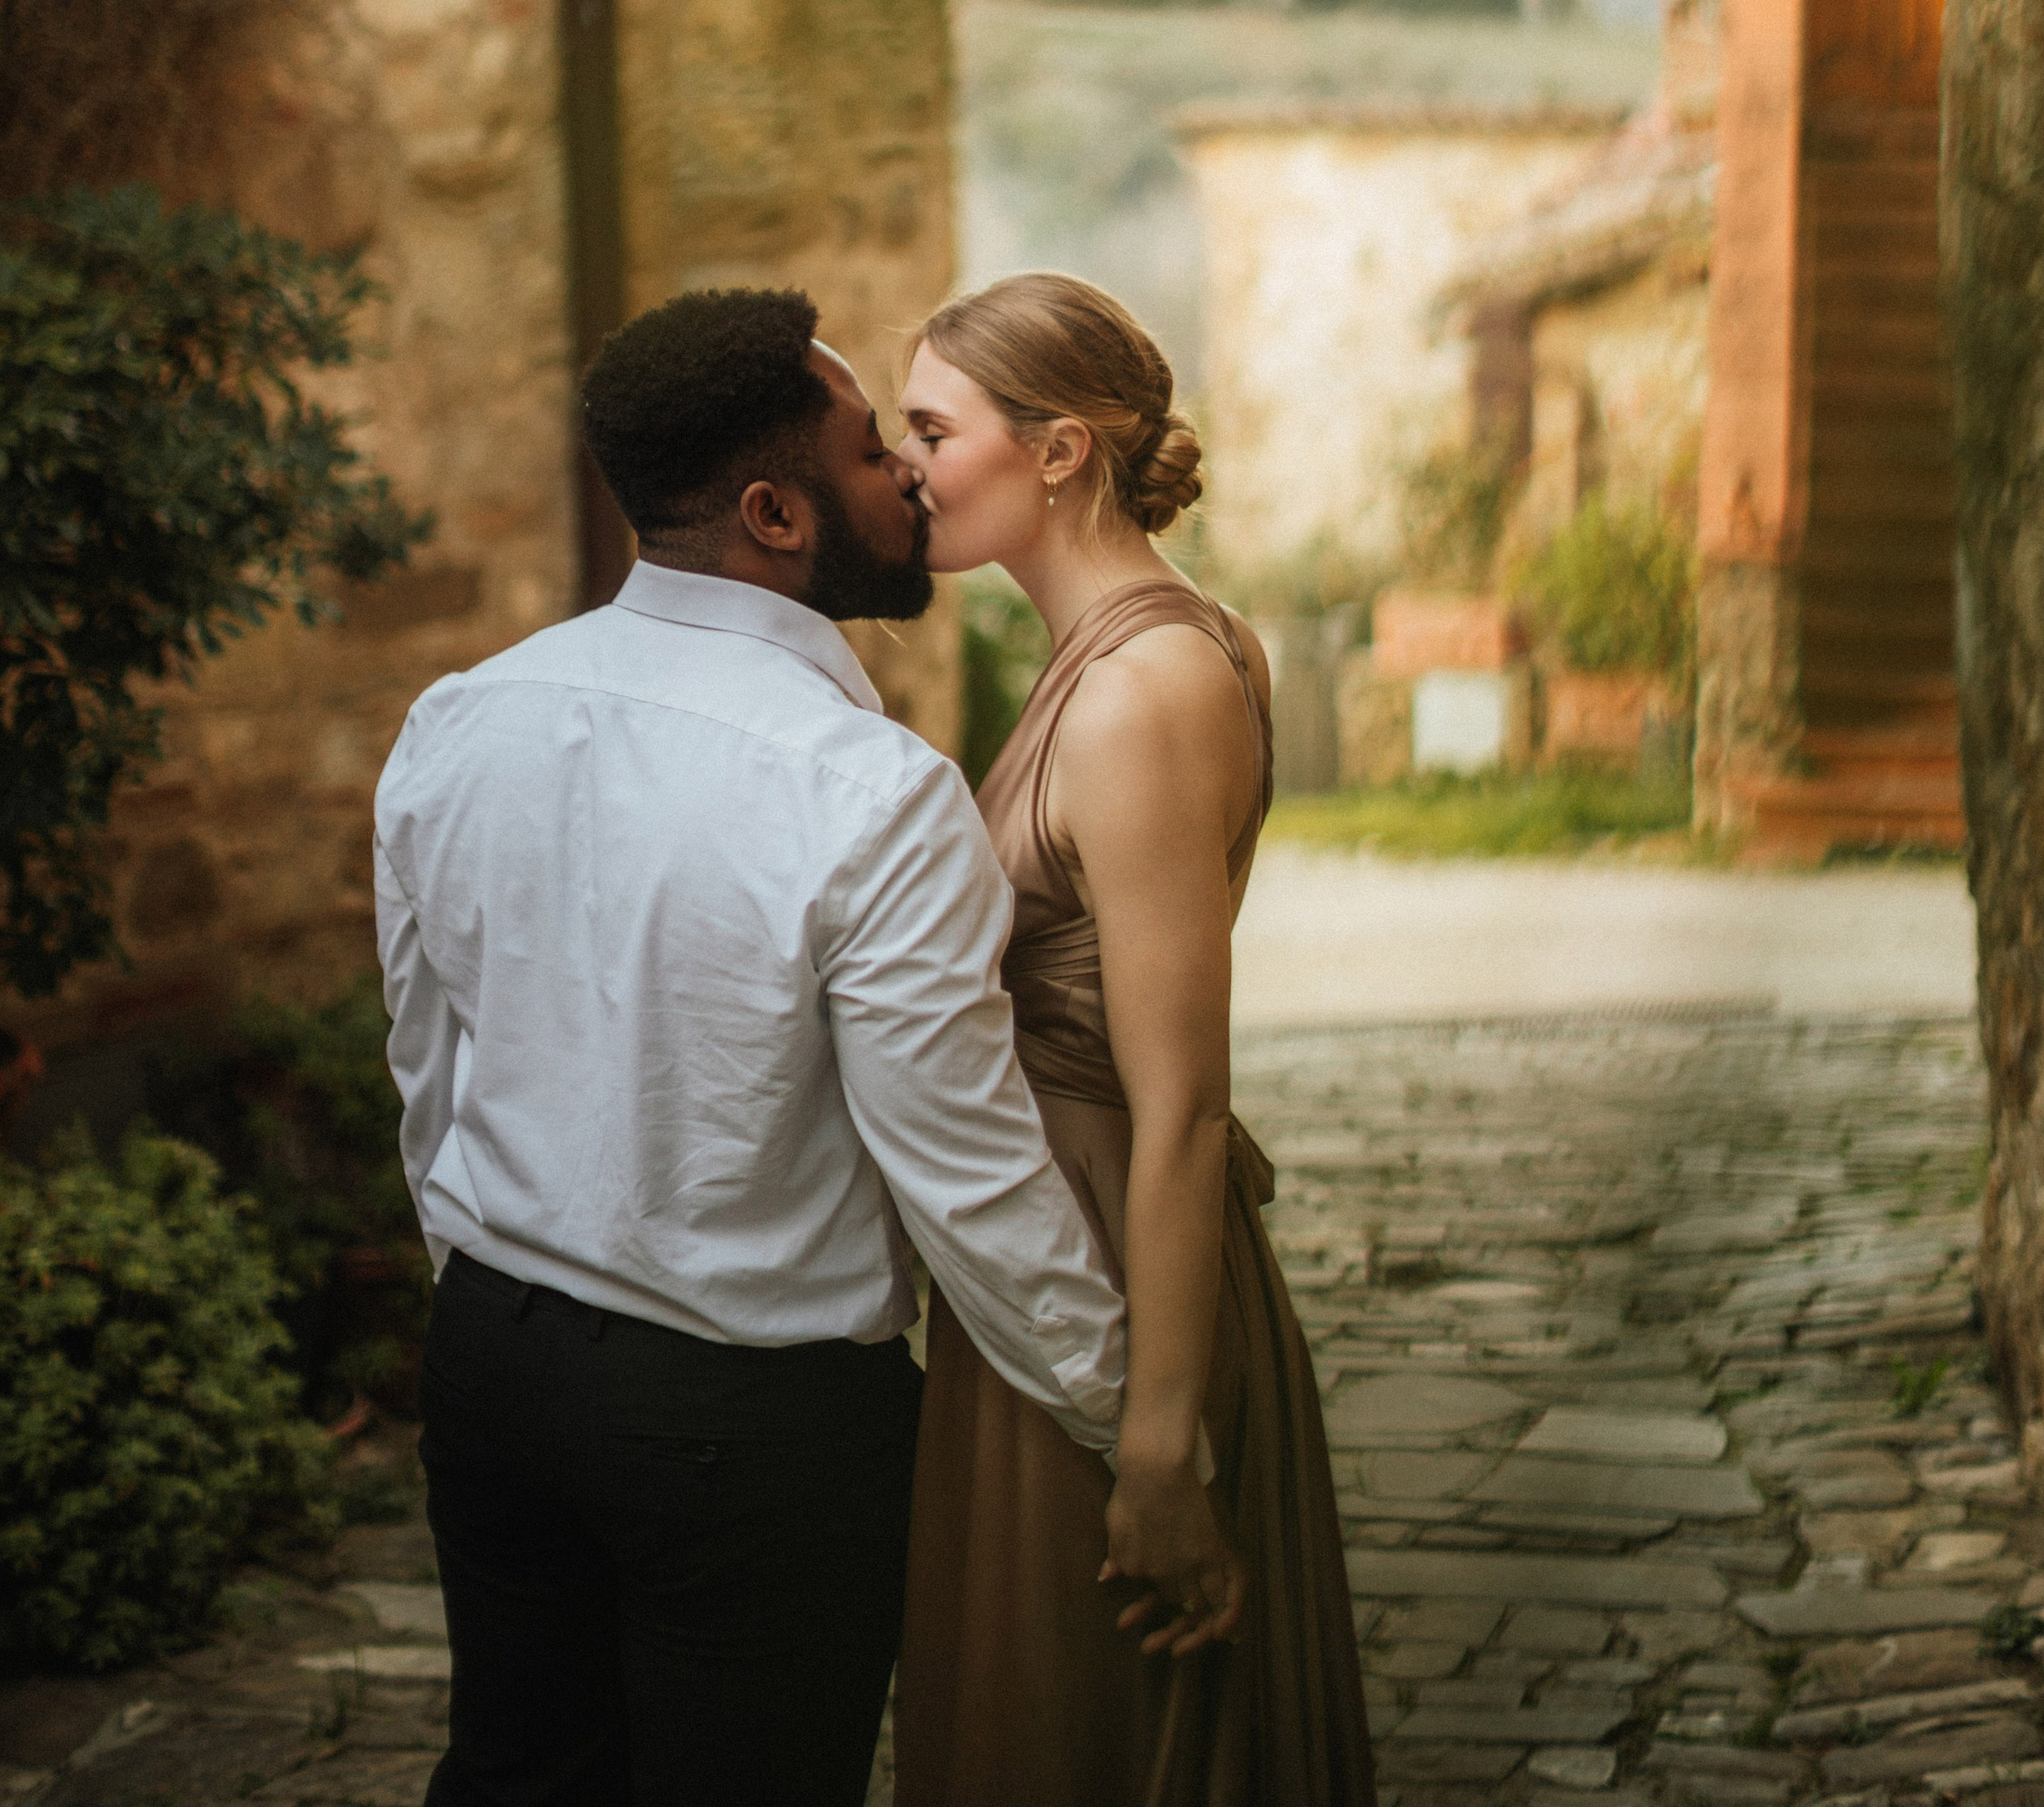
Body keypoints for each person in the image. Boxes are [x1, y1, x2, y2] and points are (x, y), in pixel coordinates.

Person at [375, 287, 1138, 1807]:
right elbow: (966, 1177)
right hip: (754, 1431)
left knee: (518, 1777)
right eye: (876, 453)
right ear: (778, 513)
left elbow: (428, 1068)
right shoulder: (871, 792)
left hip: (494, 1374)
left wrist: (493, 1286)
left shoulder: (460, 718)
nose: (911, 479)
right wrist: (1135, 1422)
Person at [892, 272, 1376, 1807]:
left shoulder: (1143, 690)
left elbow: (1178, 1104)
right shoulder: (1121, 653)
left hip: (1115, 1268)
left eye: (929, 429)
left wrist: (1157, 1434)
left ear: (1057, 453)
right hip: (1055, 1244)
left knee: (1096, 1733)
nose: (905, 467)